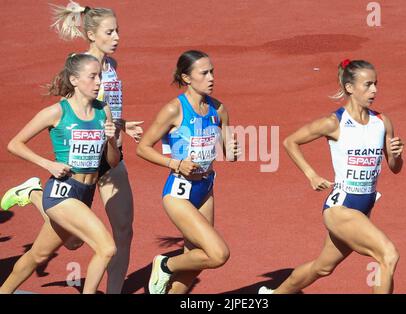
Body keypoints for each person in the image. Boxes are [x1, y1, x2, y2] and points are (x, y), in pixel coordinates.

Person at [0, 1, 142, 293]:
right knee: (80, 242)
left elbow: (102, 114)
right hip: (77, 169)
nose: (117, 37)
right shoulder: (80, 67)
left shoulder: (111, 67)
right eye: (110, 31)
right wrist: (52, 163)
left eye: (118, 31)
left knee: (122, 232)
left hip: (110, 156)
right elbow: (72, 117)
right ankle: (37, 195)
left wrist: (121, 127)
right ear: (91, 34)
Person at [259, 59, 404, 294]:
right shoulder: (334, 123)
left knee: (322, 267)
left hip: (364, 208)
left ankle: (274, 295)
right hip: (340, 208)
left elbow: (395, 167)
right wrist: (311, 175)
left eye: (376, 84)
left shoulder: (382, 122)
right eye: (367, 85)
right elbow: (290, 141)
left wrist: (397, 155)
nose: (374, 90)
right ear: (349, 88)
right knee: (388, 254)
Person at [0, 53, 119, 294]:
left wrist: (112, 141)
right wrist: (47, 164)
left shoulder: (103, 110)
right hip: (62, 190)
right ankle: (37, 193)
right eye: (92, 76)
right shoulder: (56, 112)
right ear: (74, 80)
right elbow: (15, 144)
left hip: (86, 192)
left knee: (42, 253)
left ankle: (32, 193)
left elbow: (113, 162)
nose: (98, 82)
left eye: (100, 76)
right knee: (106, 248)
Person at [137, 50, 240, 294]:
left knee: (195, 262)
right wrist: (175, 163)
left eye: (212, 71)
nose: (211, 77)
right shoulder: (175, 109)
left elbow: (230, 153)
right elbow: (143, 148)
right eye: (204, 73)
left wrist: (234, 149)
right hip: (179, 191)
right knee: (218, 254)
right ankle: (165, 264)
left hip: (205, 188)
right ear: (186, 78)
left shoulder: (219, 109)